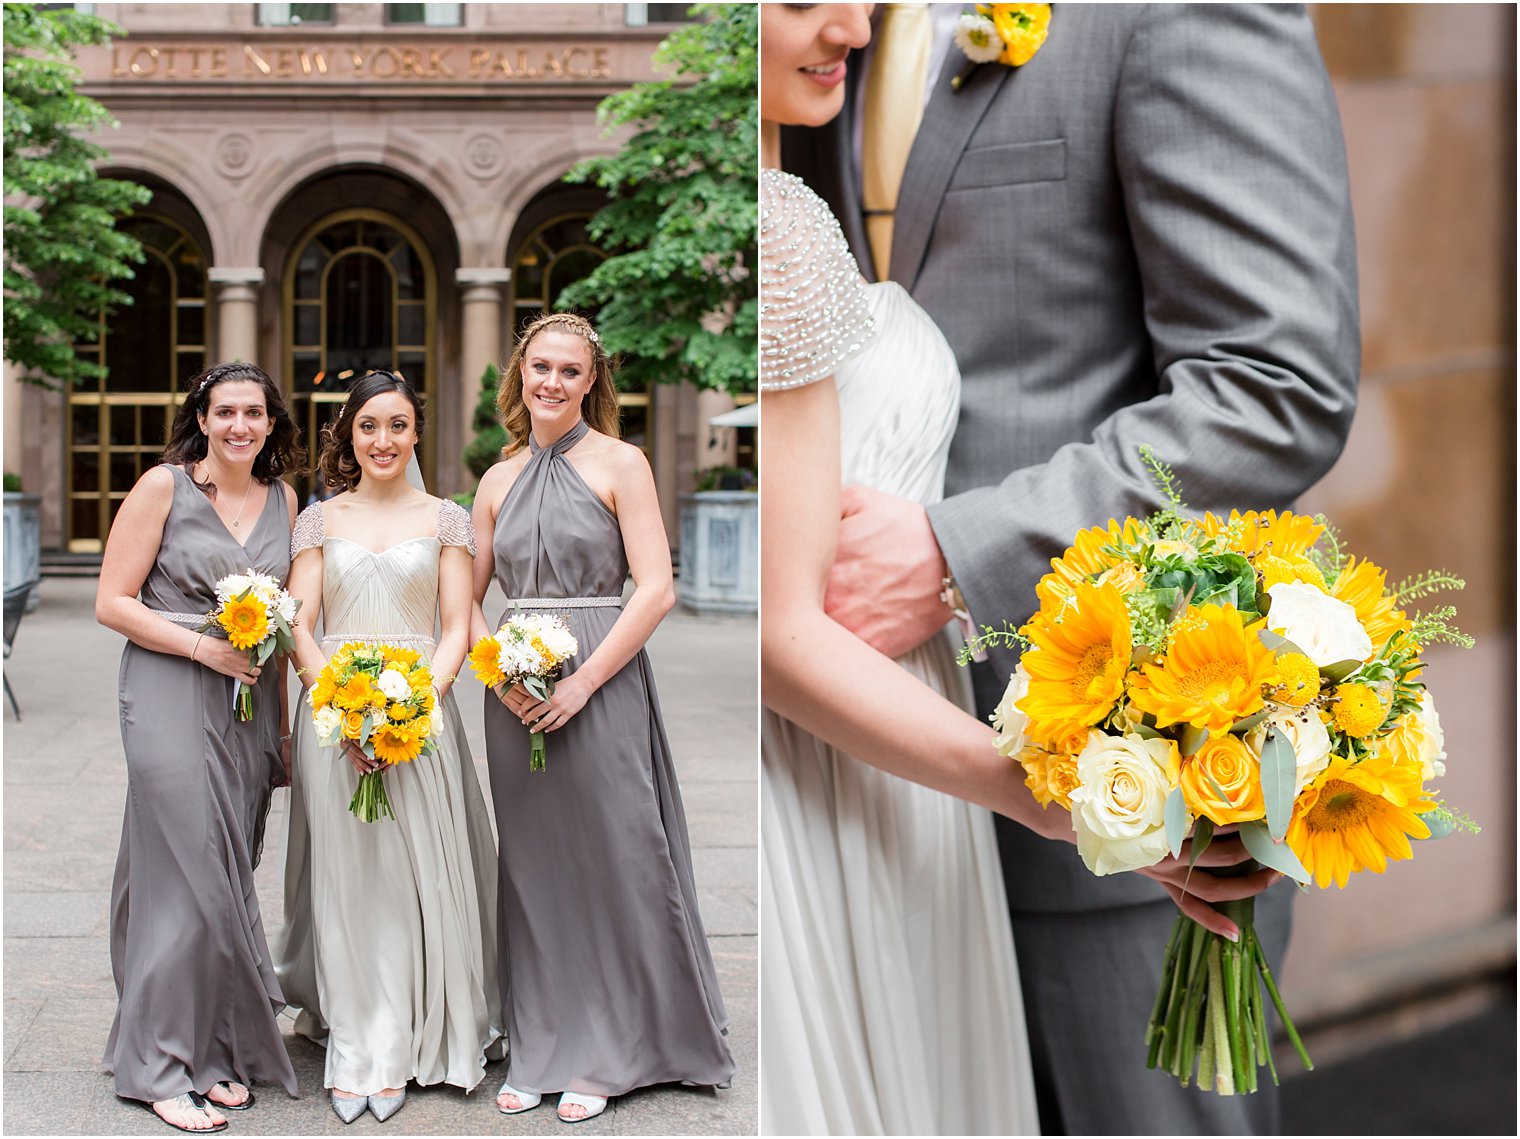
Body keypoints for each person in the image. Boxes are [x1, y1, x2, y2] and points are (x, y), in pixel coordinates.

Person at [781, 3, 1360, 1134]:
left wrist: (959, 553)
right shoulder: (833, 23)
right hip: (855, 784)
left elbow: (1272, 382)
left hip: (1113, 760)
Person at [471, 312, 735, 1125]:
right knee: (535, 867)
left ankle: (615, 1046)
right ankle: (545, 1041)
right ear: (520, 375)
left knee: (618, 854)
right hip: (514, 689)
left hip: (602, 676)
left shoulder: (623, 462)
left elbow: (655, 587)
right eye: (539, 367)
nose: (551, 382)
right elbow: (464, 600)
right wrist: (496, 674)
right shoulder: (495, 479)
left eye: (569, 371)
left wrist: (583, 682)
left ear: (592, 382)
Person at [275, 371, 501, 1125]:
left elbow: (453, 629)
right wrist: (341, 709)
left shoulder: (448, 519)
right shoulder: (318, 520)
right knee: (349, 877)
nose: (384, 440)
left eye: (398, 425)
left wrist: (413, 704)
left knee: (410, 878)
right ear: (349, 433)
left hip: (420, 715)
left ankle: (403, 1037)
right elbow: (299, 623)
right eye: (369, 426)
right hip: (332, 714)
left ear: (415, 433)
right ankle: (356, 1043)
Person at [96, 361, 302, 1133]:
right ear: (203, 419)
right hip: (166, 689)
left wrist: (280, 731)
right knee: (182, 872)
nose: (240, 426)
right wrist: (200, 647)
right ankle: (158, 1065)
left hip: (247, 707)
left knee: (222, 870)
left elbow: (281, 628)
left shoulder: (285, 498)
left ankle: (212, 1049)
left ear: (271, 423)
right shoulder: (163, 487)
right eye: (226, 413)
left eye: (254, 413)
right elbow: (111, 601)